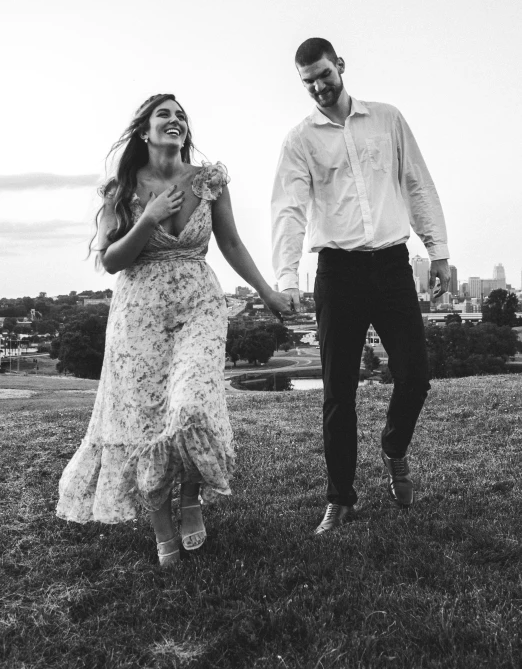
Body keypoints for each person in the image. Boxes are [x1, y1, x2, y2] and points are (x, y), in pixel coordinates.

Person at [57, 93, 291, 566]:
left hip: (199, 306)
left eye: (181, 116)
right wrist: (149, 217)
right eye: (164, 114)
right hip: (138, 315)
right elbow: (110, 260)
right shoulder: (119, 191)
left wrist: (267, 293)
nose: (175, 120)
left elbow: (230, 243)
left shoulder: (208, 182)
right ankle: (162, 526)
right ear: (144, 131)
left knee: (192, 403)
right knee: (147, 423)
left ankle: (190, 497)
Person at [271, 38, 450, 534]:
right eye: (307, 81)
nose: (318, 87)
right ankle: (340, 498)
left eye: (324, 75)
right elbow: (289, 209)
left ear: (341, 66)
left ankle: (393, 448)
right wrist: (286, 276)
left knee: (415, 375)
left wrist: (439, 251)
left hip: (393, 266)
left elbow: (418, 183)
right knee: (338, 393)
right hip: (338, 273)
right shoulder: (300, 139)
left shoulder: (388, 119)